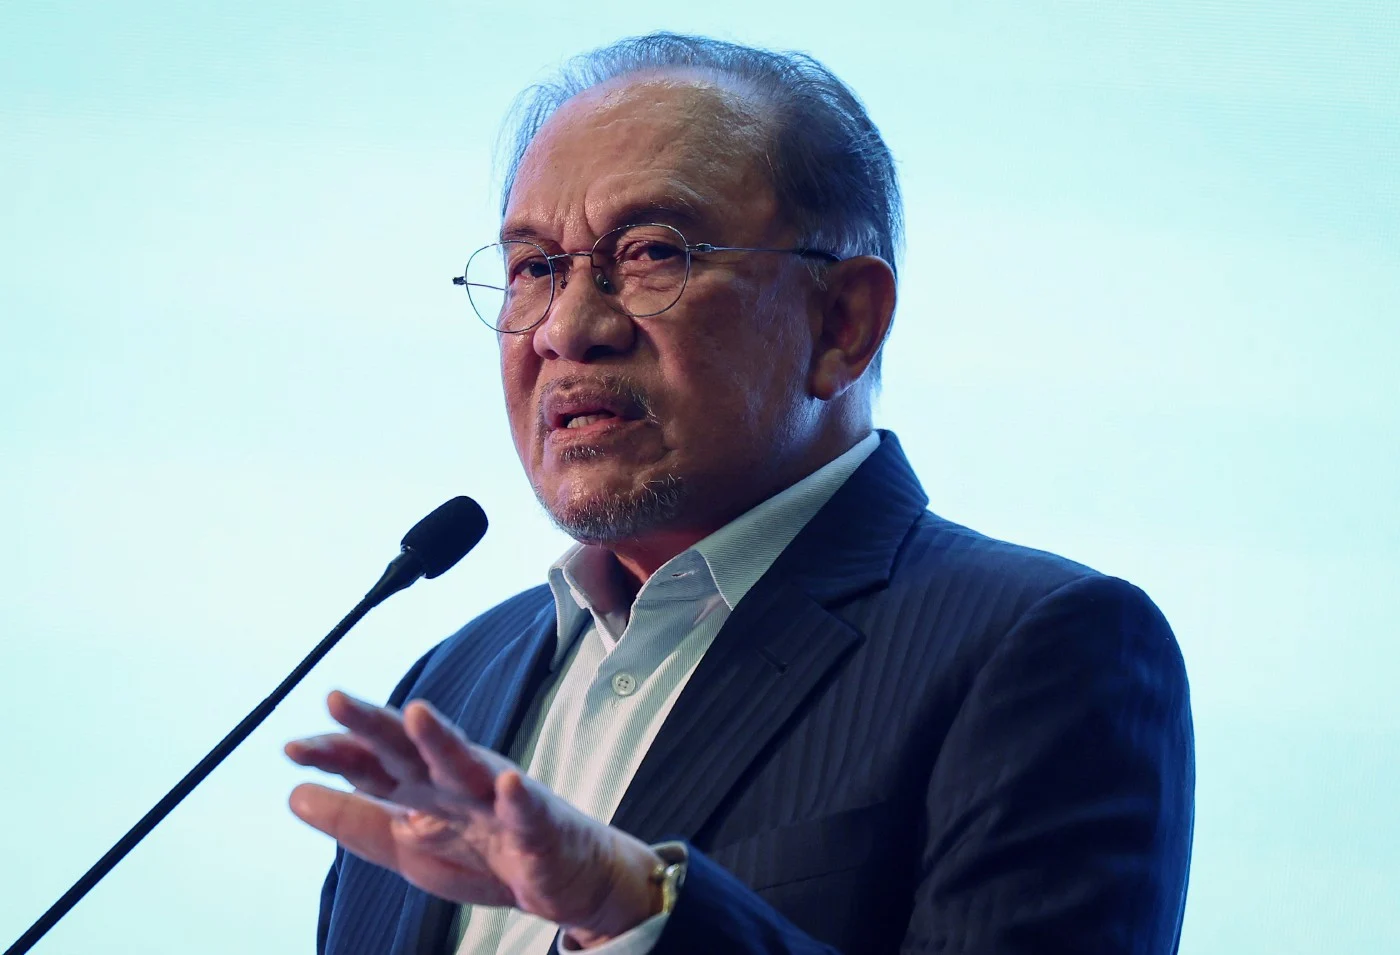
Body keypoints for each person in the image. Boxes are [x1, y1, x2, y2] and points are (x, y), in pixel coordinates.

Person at [284, 32, 1195, 955]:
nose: (568, 327)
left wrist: (635, 910)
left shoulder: (1040, 647)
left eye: (651, 253)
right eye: (534, 269)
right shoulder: (450, 686)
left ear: (843, 322)